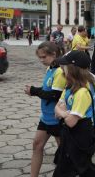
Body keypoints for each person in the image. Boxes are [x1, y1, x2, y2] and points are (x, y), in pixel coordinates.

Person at [54, 50, 95, 177]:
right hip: (71, 134)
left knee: (77, 166)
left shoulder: (82, 92)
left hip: (82, 134)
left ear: (73, 69)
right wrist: (64, 113)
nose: (62, 69)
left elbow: (71, 122)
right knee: (80, 165)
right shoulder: (69, 87)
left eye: (65, 67)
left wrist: (64, 113)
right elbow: (57, 109)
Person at [24, 42, 66, 177]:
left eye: (44, 57)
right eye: (40, 58)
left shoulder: (59, 71)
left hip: (57, 119)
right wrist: (34, 90)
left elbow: (55, 95)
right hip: (46, 117)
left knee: (65, 153)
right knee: (37, 145)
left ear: (54, 54)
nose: (41, 60)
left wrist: (34, 91)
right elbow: (47, 90)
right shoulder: (50, 68)